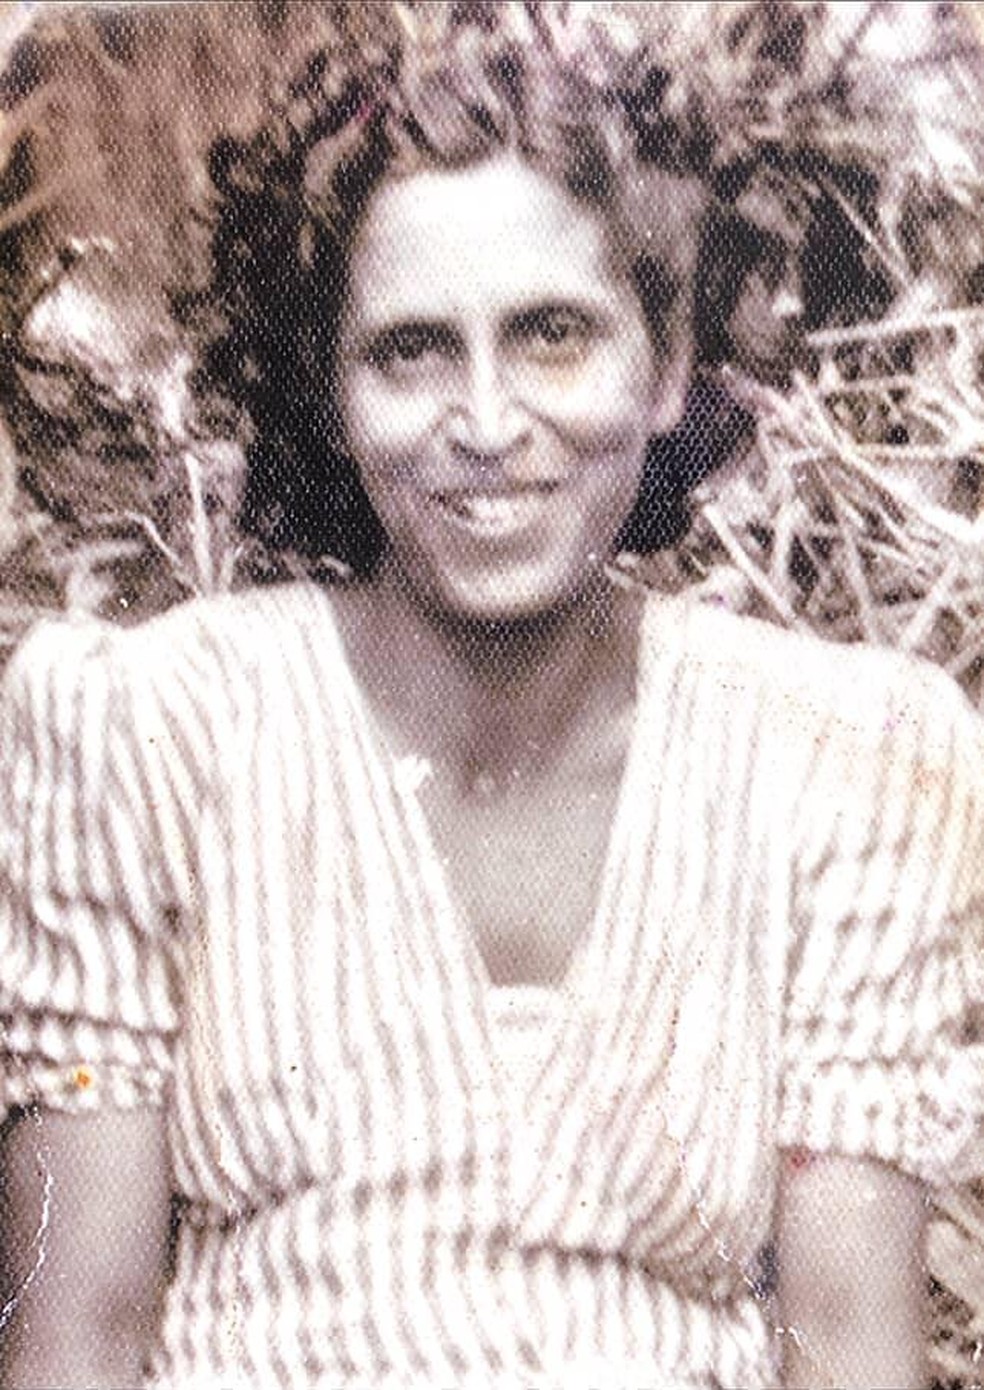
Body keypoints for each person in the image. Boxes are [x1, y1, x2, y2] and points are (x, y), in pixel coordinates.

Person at [0, 5, 982, 1388]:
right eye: (409, 349)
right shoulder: (146, 733)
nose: (485, 422)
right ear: (329, 393)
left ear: (668, 367)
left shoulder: (844, 760)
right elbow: (76, 1336)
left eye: (553, 335)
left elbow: (849, 1346)